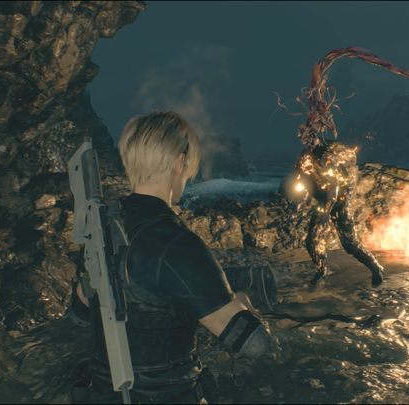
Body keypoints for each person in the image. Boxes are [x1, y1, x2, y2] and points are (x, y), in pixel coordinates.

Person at [71, 111, 275, 404]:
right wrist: (243, 303)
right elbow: (255, 345)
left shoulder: (103, 228)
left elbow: (79, 314)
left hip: (102, 395)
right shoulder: (178, 243)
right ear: (179, 163)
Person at [293, 137, 385, 287]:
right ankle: (321, 271)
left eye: (310, 138)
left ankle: (376, 268)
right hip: (322, 203)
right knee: (311, 241)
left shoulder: (324, 156)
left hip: (339, 204)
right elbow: (305, 182)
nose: (307, 140)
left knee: (350, 244)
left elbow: (334, 187)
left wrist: (326, 212)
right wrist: (302, 200)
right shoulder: (304, 158)